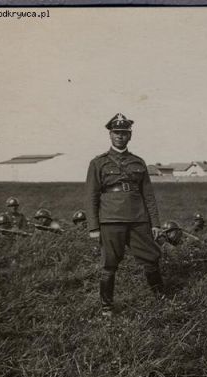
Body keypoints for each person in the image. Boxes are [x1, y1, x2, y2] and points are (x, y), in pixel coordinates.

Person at [85, 113, 164, 317]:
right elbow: (91, 196)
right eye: (116, 132)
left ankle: (161, 300)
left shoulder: (139, 162)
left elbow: (148, 195)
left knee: (151, 258)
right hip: (111, 220)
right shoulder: (98, 162)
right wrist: (94, 226)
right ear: (110, 135)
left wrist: (155, 223)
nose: (120, 136)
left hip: (138, 219)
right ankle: (107, 308)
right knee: (109, 264)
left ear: (130, 135)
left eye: (124, 133)